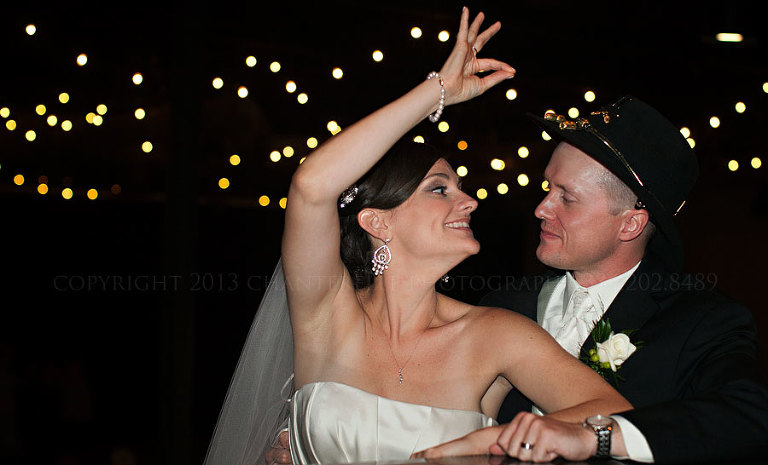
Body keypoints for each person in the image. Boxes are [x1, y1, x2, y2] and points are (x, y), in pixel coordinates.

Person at [204, 8, 634, 465]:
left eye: (460, 188)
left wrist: (510, 444)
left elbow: (619, 418)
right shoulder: (326, 314)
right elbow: (311, 185)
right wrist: (439, 90)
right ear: (378, 223)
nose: (469, 202)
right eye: (439, 189)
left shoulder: (496, 334)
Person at [416, 96, 768, 462]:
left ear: (630, 225)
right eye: (548, 188)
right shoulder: (502, 305)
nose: (541, 209)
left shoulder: (701, 321)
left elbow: (751, 416)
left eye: (566, 198)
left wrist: (596, 437)